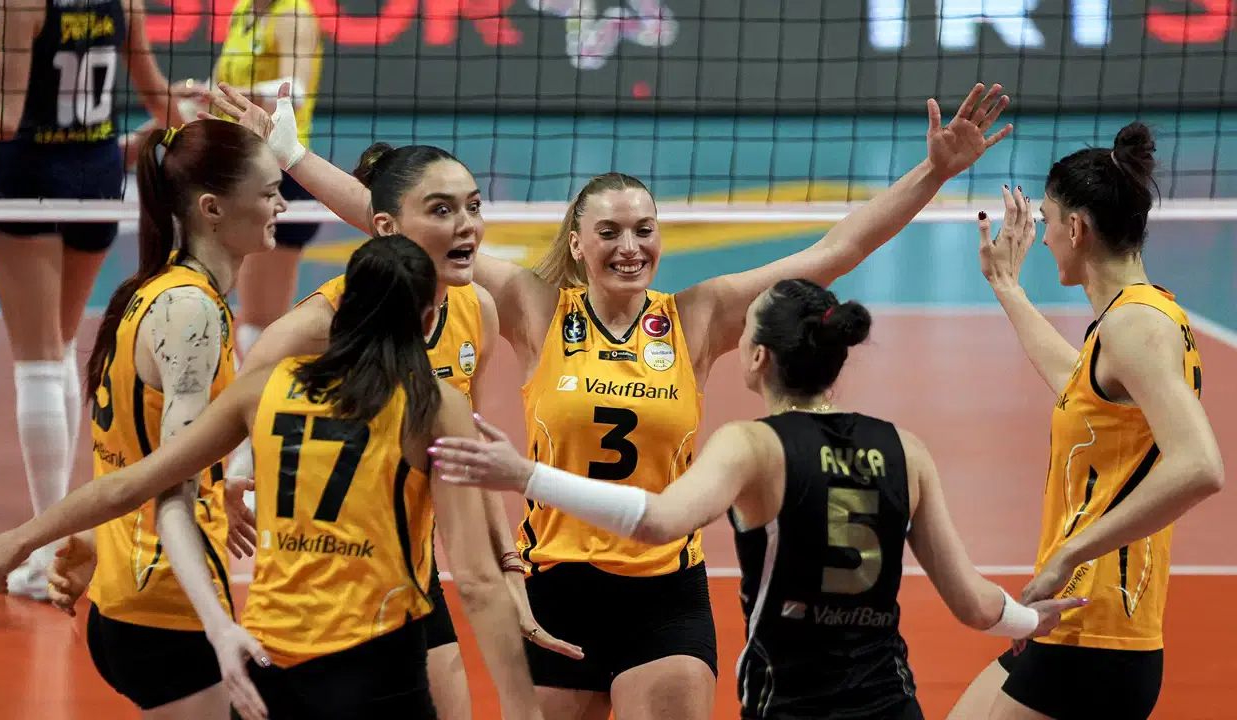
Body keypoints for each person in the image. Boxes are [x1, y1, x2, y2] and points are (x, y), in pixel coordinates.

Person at [214, 79, 1014, 718]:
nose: (631, 246)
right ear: (577, 243)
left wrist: (935, 171)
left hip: (664, 593)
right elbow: (400, 228)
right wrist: (293, 155)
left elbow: (835, 251)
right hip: (556, 587)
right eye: (610, 232)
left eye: (644, 229)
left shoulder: (697, 316)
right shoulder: (535, 308)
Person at [428, 279, 1087, 719]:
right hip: (889, 702)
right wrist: (1029, 621)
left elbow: (655, 521)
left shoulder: (752, 447)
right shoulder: (905, 450)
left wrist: (525, 475)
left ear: (757, 359)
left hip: (791, 705)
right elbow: (974, 604)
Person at [0, 234, 545, 720]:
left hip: (273, 658)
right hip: (376, 657)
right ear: (427, 321)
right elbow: (474, 579)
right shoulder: (433, 403)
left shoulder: (267, 387)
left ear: (340, 307)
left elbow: (133, 484)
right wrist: (522, 704)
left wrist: (25, 537)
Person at [208, 86, 581, 720]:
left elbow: (469, 457)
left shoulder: (476, 310)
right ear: (387, 226)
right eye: (443, 210)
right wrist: (236, 474)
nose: (467, 225)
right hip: (318, 591)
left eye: (473, 207)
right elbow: (238, 416)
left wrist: (509, 571)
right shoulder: (316, 327)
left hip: (408, 570)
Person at [0, 119, 283, 717]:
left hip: (131, 593)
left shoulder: (155, 288)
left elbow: (133, 447)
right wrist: (218, 628)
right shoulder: (191, 313)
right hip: (166, 609)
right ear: (212, 209)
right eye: (269, 193)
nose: (282, 205)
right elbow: (168, 487)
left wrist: (94, 537)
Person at [946, 124, 1224, 720]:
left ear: (1076, 229)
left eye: (1047, 221)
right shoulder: (1140, 316)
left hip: (1098, 635)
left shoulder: (1135, 326)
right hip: (1076, 626)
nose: (1043, 236)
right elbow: (1080, 389)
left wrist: (1068, 555)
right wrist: (1006, 287)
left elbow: (1201, 466)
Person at [0, 0, 200, 601]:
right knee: (61, 350)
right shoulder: (123, 1)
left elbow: (6, 117)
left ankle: (46, 554)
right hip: (97, 180)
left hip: (31, 180)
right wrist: (206, 127)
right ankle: (61, 540)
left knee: (38, 360)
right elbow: (160, 100)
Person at [187, 0, 326, 353]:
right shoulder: (243, 11)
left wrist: (240, 98)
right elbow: (214, 89)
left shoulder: (293, 14)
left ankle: (255, 390)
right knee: (205, 298)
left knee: (259, 322)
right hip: (232, 168)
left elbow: (295, 91)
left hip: (279, 173)